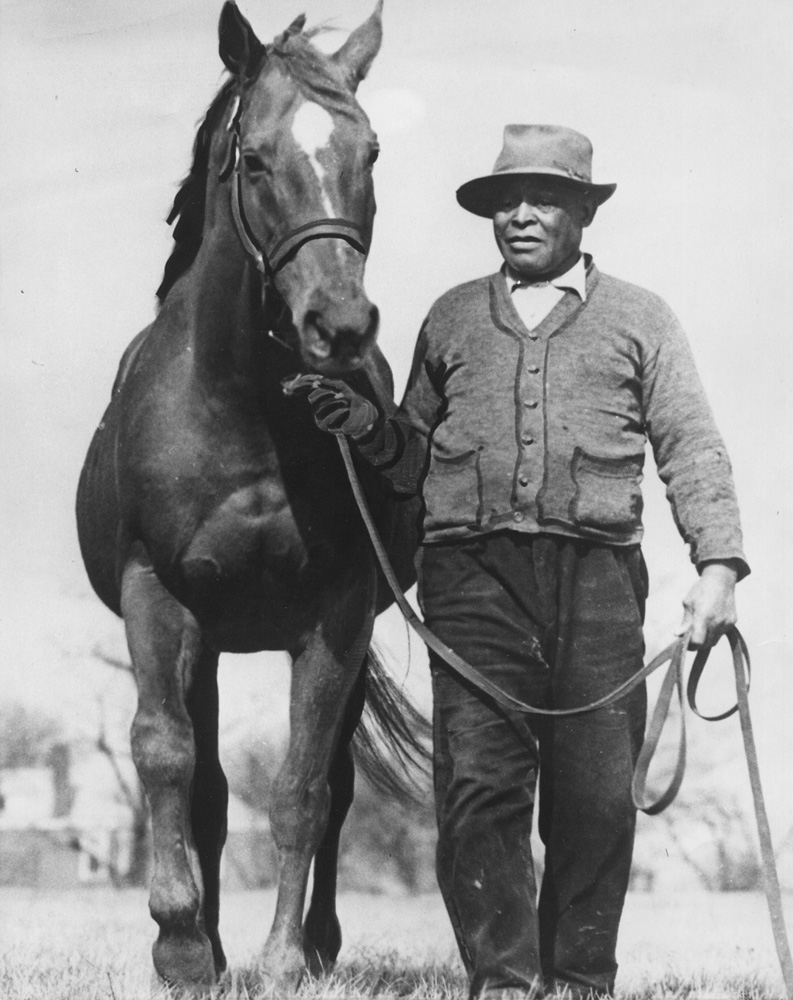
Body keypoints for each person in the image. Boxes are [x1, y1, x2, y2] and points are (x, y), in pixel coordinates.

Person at [285, 124, 749, 999]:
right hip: (470, 582)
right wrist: (369, 432)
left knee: (594, 801)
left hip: (598, 582)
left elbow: (690, 444)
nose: (521, 217)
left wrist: (717, 566)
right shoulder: (453, 316)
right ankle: (500, 983)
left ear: (582, 211)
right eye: (505, 203)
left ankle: (577, 983)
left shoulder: (642, 318)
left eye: (543, 200)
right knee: (477, 793)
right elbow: (415, 453)